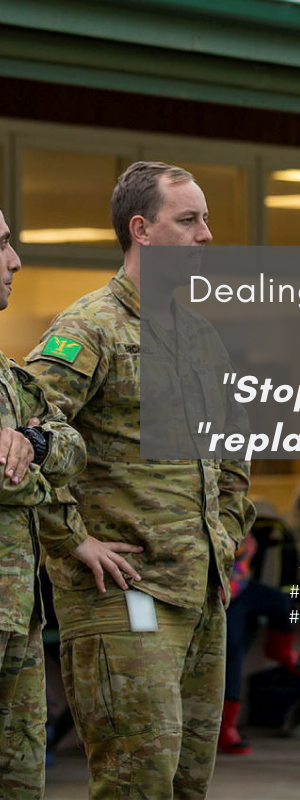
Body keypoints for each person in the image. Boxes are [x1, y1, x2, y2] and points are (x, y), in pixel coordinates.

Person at [25, 161, 255, 799]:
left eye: (205, 218)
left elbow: (233, 449)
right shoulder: (89, 328)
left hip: (202, 594)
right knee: (137, 784)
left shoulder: (201, 335)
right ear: (142, 230)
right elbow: (23, 441)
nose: (206, 235)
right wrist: (71, 540)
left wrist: (228, 533)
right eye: (189, 220)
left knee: (186, 784)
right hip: (125, 601)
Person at [0, 209, 86, 799]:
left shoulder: (10, 378)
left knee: (21, 779)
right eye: (0, 244)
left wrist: (30, 443)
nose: (15, 260)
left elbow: (73, 449)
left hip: (17, 622)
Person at [220, 529, 300, 755]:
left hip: (242, 586)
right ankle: (226, 728)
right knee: (233, 648)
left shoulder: (240, 511)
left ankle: (280, 650)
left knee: (280, 601)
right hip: (220, 594)